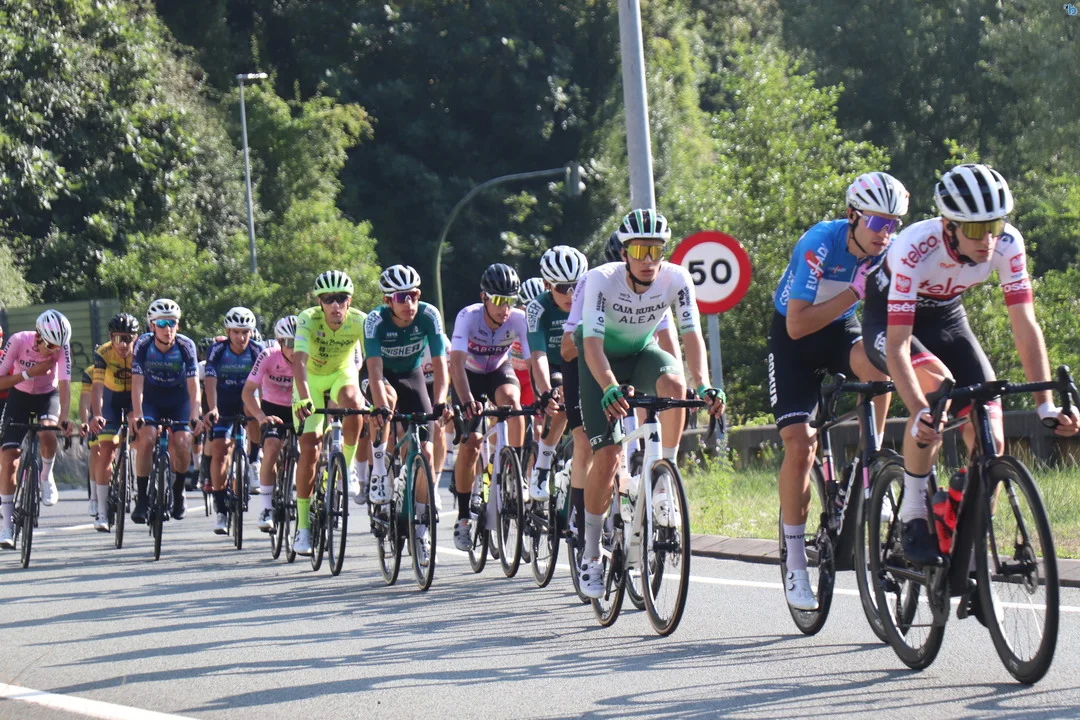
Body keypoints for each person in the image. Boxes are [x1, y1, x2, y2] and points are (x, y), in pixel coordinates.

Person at [861, 163, 1079, 566]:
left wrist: (1045, 404)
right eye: (976, 230)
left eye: (994, 226)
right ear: (949, 226)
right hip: (891, 321)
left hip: (947, 318)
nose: (988, 240)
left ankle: (969, 538)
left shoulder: (1008, 243)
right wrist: (920, 411)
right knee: (937, 390)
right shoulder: (914, 246)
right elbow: (898, 346)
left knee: (991, 436)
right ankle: (913, 514)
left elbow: (1025, 326)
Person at [768, 171, 908, 610]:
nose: (886, 233)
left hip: (839, 331)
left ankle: (873, 457)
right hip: (794, 340)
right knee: (800, 445)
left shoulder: (888, 253)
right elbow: (797, 324)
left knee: (879, 361)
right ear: (853, 216)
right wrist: (854, 291)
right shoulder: (820, 243)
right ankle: (795, 562)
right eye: (878, 222)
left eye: (894, 224)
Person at [574, 209, 725, 599]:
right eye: (639, 250)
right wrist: (609, 385)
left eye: (655, 250)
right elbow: (590, 344)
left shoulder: (677, 278)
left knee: (675, 384)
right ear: (624, 253)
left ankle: (662, 478)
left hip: (641, 353)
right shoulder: (600, 280)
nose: (647, 259)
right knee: (608, 457)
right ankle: (590, 554)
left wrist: (704, 385)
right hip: (599, 362)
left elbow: (691, 336)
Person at [363, 265, 452, 566]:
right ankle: (379, 472)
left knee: (426, 452)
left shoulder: (429, 315)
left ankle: (421, 528)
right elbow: (374, 371)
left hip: (412, 376)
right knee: (386, 405)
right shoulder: (375, 320)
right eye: (402, 297)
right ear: (388, 300)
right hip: (380, 377)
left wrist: (440, 402)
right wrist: (380, 406)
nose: (409, 302)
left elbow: (440, 366)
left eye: (413, 295)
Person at [449, 263, 533, 551]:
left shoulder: (519, 319)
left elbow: (533, 361)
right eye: (498, 300)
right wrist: (465, 401)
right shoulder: (468, 317)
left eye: (510, 300)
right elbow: (456, 364)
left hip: (498, 370)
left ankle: (515, 473)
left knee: (513, 402)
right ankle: (463, 517)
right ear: (484, 297)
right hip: (468, 376)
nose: (504, 308)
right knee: (471, 443)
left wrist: (545, 393)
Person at [291, 270, 367, 556]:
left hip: (341, 374)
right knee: (309, 450)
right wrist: (304, 398)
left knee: (355, 403)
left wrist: (375, 394)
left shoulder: (360, 321)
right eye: (328, 299)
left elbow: (373, 360)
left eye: (341, 298)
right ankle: (303, 527)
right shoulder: (308, 319)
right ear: (319, 302)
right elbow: (299, 361)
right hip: (310, 379)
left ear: (350, 301)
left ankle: (346, 467)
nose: (335, 305)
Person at [0, 311, 75, 548]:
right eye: (50, 345)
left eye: (58, 347)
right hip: (19, 396)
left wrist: (64, 416)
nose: (54, 351)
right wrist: (28, 373)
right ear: (38, 336)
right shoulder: (18, 340)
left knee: (48, 432)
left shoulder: (61, 347)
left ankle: (46, 475)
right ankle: (6, 526)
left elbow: (64, 383)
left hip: (47, 396)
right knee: (10, 458)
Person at [128, 299, 201, 524]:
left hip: (179, 399)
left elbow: (194, 385)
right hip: (152, 398)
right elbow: (137, 382)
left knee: (182, 442)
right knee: (147, 438)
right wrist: (137, 412)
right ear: (152, 326)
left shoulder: (186, 345)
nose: (167, 328)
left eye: (172, 323)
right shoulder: (142, 344)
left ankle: (178, 489)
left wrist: (195, 412)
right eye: (162, 323)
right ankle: (142, 498)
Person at [525, 246, 587, 500]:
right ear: (547, 285)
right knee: (560, 396)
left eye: (576, 286)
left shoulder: (592, 299)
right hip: (551, 366)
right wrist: (545, 392)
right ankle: (542, 464)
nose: (571, 294)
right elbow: (538, 355)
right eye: (562, 288)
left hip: (581, 362)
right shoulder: (537, 308)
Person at [203, 307, 264, 535]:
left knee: (253, 410)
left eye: (245, 332)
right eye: (236, 332)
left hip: (248, 398)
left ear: (251, 332)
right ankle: (220, 509)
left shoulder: (258, 350)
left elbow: (264, 384)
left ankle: (254, 460)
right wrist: (213, 408)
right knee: (220, 450)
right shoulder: (217, 350)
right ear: (228, 332)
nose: (241, 337)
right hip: (224, 400)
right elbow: (210, 381)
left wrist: (263, 411)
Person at [242, 315, 299, 531]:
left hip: (299, 407)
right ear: (280, 342)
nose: (294, 348)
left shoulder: (309, 357)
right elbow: (247, 392)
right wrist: (260, 417)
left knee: (311, 449)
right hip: (273, 407)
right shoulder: (268, 355)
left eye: (299, 342)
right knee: (272, 447)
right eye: (290, 343)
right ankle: (266, 507)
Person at [87, 313, 139, 532]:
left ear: (136, 337)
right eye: (118, 338)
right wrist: (97, 414)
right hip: (111, 399)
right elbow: (97, 387)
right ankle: (101, 511)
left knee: (144, 439)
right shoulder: (104, 352)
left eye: (129, 338)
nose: (124, 344)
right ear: (111, 337)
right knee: (106, 448)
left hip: (135, 398)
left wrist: (138, 411)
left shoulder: (142, 351)